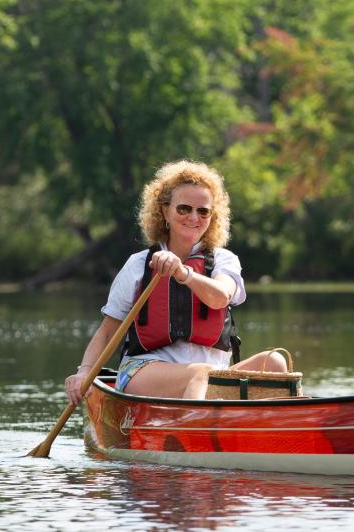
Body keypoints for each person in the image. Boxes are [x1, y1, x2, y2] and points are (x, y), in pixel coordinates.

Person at [65, 160, 286, 404]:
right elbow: (107, 332)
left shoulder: (224, 260)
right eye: (184, 209)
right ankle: (195, 432)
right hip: (145, 371)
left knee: (275, 362)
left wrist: (183, 273)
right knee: (201, 374)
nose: (194, 217)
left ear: (212, 217)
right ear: (165, 211)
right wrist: (84, 371)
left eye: (203, 211)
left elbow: (221, 296)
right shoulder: (138, 265)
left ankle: (266, 433)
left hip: (216, 377)